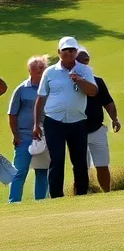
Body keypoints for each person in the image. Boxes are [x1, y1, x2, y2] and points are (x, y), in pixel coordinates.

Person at [33, 36, 98, 198]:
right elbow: (40, 98)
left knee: (80, 162)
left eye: (72, 50)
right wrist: (35, 124)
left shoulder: (84, 70)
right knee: (57, 160)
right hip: (54, 122)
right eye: (65, 50)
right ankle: (56, 197)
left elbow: (93, 92)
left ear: (76, 52)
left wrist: (80, 80)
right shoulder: (50, 72)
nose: (69, 53)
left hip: (78, 121)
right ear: (59, 52)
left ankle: (81, 195)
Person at [75, 48, 121, 192]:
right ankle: (79, 196)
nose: (85, 63)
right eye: (81, 60)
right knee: (80, 167)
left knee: (102, 164)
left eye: (86, 60)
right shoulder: (69, 82)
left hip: (97, 129)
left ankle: (106, 194)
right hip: (76, 131)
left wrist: (114, 119)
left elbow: (108, 102)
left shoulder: (98, 81)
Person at [7, 55, 49, 202]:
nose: (41, 72)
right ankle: (14, 203)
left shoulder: (48, 88)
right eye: (38, 70)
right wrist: (16, 135)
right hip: (24, 136)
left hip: (43, 136)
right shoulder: (21, 89)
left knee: (42, 171)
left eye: (42, 69)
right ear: (30, 71)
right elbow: (12, 114)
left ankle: (41, 202)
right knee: (19, 171)